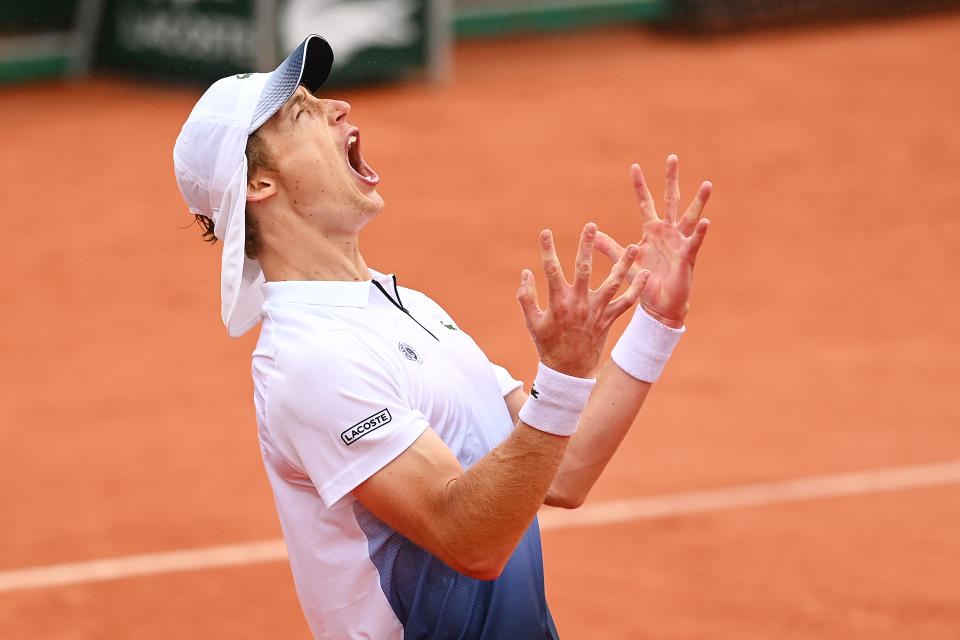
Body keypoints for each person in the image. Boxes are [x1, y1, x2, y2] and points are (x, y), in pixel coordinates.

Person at [173, 35, 711, 640]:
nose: (339, 107)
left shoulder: (400, 305)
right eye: (303, 112)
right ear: (259, 185)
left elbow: (562, 470)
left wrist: (657, 323)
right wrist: (561, 376)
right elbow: (470, 539)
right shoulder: (309, 361)